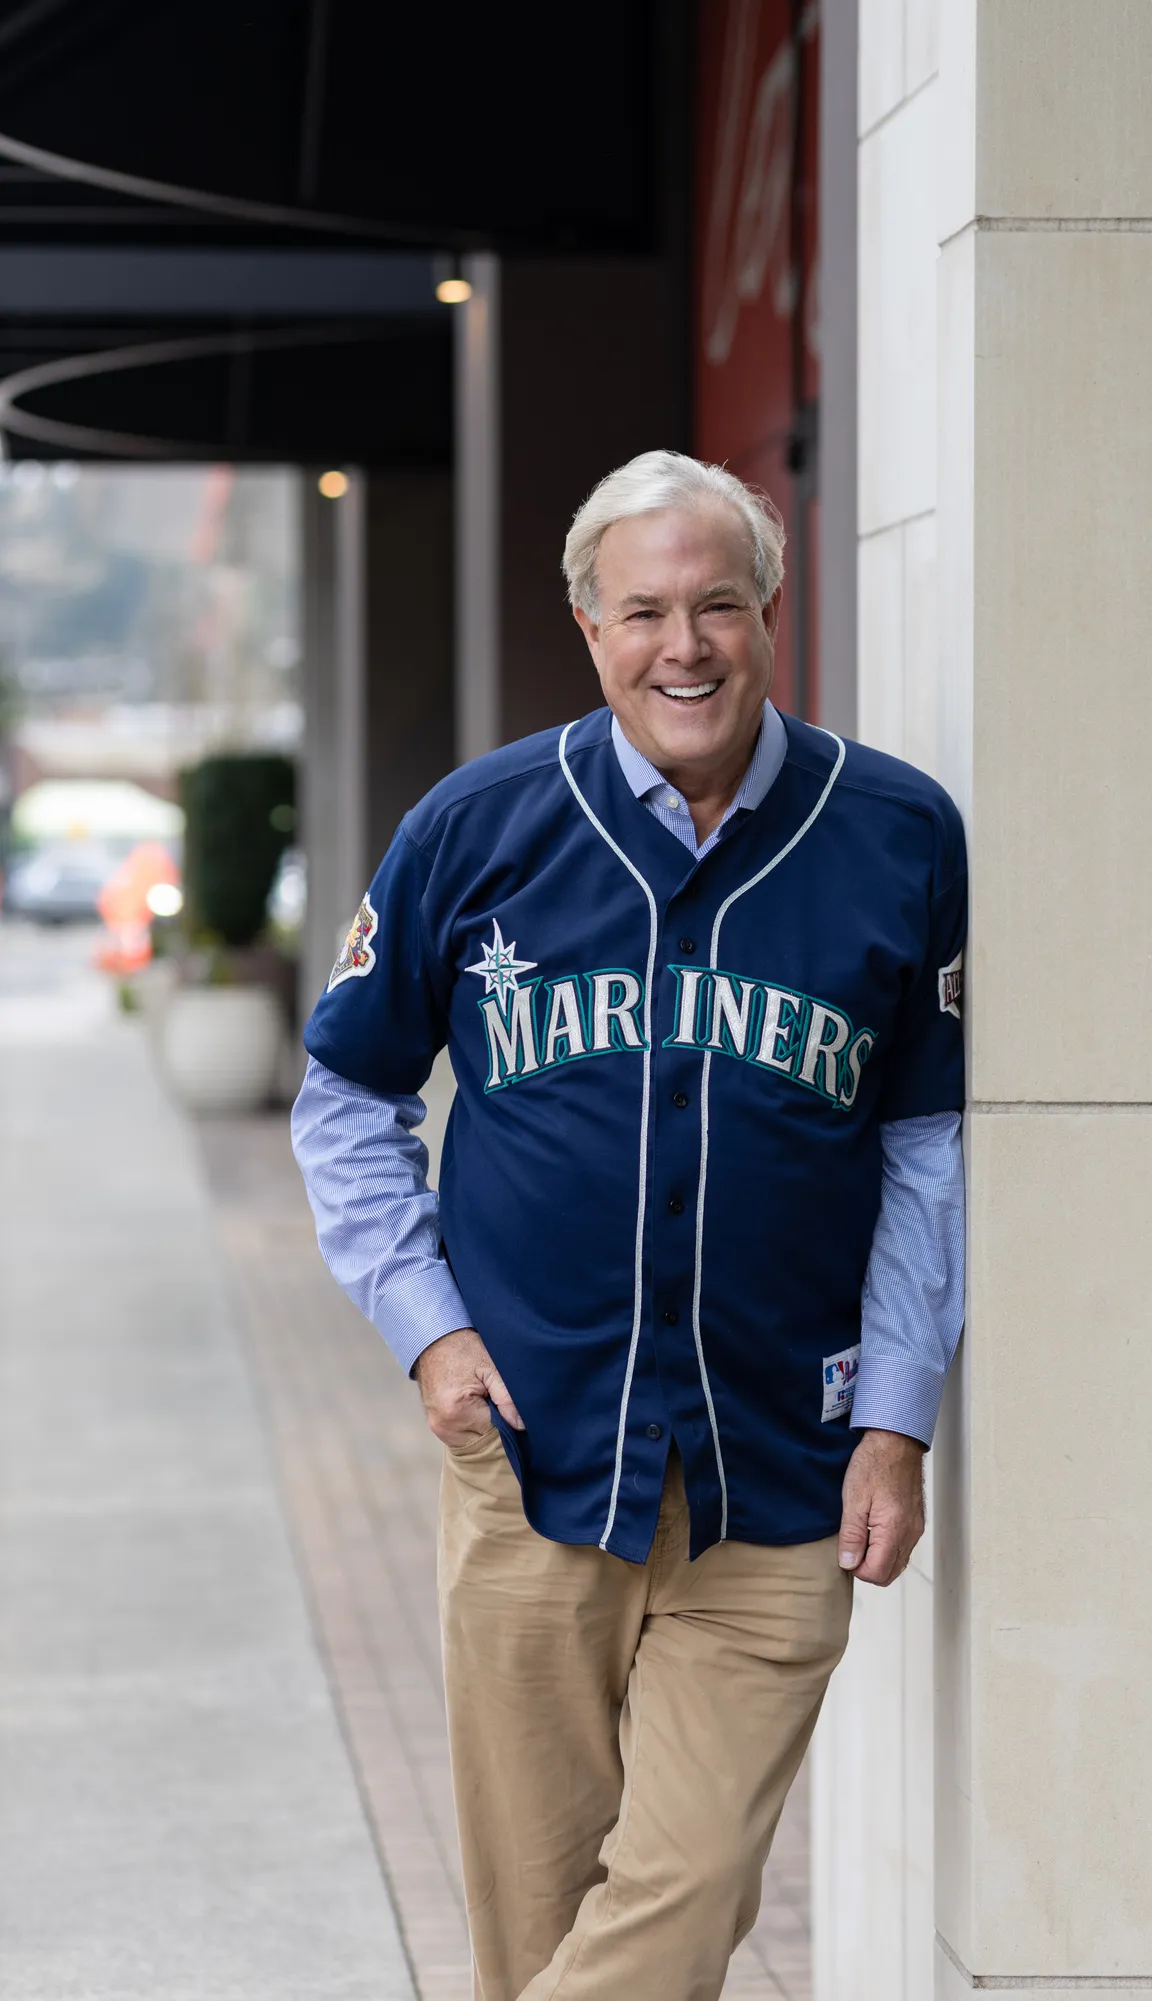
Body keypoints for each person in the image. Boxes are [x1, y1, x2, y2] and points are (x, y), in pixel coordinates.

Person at [291, 450, 966, 2001]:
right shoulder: (481, 825)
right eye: (645, 610)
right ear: (588, 626)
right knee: (532, 1924)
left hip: (784, 1465)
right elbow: (345, 1095)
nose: (685, 647)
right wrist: (429, 1333)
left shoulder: (895, 832)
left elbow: (927, 1149)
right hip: (530, 1455)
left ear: (771, 613)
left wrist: (898, 1418)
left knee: (685, 1884)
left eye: (717, 604)